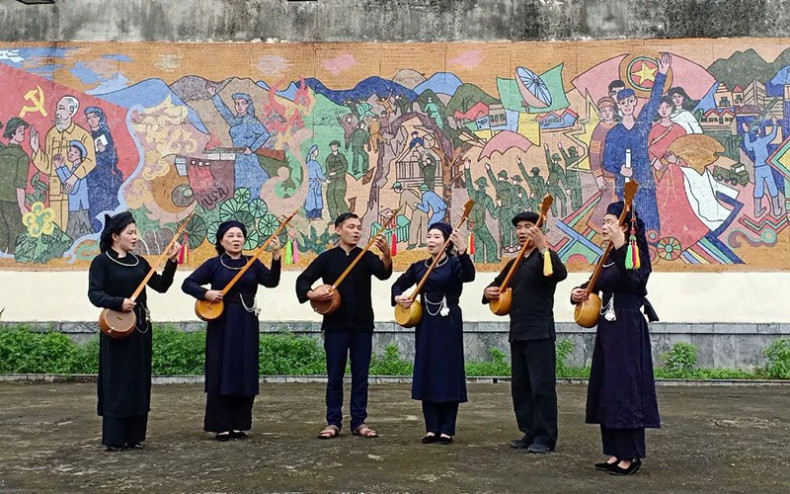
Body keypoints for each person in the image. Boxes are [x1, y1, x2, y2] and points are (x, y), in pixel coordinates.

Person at [570, 202, 660, 475]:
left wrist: (622, 245)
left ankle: (630, 455)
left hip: (628, 327)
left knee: (626, 389)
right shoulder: (607, 255)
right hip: (608, 328)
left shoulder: (635, 252)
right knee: (607, 388)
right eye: (605, 221)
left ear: (624, 226)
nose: (604, 226)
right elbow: (594, 284)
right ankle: (613, 451)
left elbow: (635, 281)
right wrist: (578, 292)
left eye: (609, 221)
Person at [87, 211, 181, 451]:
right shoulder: (102, 262)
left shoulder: (140, 262)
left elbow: (161, 286)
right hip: (115, 329)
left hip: (140, 328)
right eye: (130, 233)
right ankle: (115, 438)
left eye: (135, 232)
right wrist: (119, 302)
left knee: (138, 380)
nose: (135, 237)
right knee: (117, 380)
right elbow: (94, 294)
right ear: (115, 235)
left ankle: (135, 436)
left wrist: (171, 262)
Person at [295, 213, 392, 439]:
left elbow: (383, 273)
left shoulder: (365, 257)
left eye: (359, 227)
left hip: (362, 325)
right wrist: (312, 293)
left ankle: (359, 422)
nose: (357, 231)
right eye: (351, 227)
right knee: (335, 375)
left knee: (361, 376)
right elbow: (303, 279)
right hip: (335, 327)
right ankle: (333, 422)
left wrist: (386, 255)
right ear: (338, 230)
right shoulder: (327, 258)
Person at [182, 220, 281, 441]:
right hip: (222, 323)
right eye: (230, 236)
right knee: (221, 369)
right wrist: (206, 294)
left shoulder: (252, 263)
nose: (236, 239)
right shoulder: (214, 264)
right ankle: (222, 425)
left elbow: (271, 281)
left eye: (239, 236)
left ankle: (240, 424)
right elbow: (188, 283)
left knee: (244, 369)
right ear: (221, 240)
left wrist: (275, 256)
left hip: (247, 321)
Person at [483, 212, 567, 454]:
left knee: (542, 387)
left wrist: (543, 247)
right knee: (521, 387)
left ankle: (545, 437)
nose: (522, 231)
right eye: (519, 227)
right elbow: (496, 285)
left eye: (528, 226)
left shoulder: (546, 258)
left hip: (539, 332)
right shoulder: (514, 264)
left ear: (538, 230)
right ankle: (529, 431)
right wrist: (488, 292)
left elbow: (558, 274)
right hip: (517, 332)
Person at [392, 222, 475, 444]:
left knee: (448, 371)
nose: (431, 240)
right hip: (426, 323)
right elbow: (398, 286)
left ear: (447, 241)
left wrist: (463, 252)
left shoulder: (455, 264)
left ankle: (447, 428)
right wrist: (399, 297)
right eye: (429, 236)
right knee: (428, 370)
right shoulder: (419, 267)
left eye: (437, 237)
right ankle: (431, 428)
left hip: (448, 323)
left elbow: (469, 276)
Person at [84, 107, 123, 232]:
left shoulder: (104, 134)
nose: (91, 120)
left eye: (94, 117)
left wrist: (102, 151)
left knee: (107, 206)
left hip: (104, 179)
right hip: (92, 179)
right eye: (89, 118)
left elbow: (113, 158)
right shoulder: (88, 137)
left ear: (99, 118)